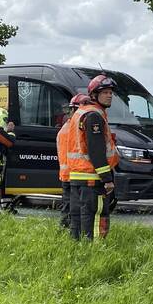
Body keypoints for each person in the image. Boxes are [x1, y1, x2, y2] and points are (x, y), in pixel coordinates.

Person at [66, 75, 120, 240]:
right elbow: (96, 150)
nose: (109, 95)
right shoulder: (94, 115)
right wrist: (107, 178)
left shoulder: (80, 113)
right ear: (94, 95)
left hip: (77, 177)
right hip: (92, 177)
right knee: (95, 217)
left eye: (111, 92)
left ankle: (78, 248)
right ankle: (94, 250)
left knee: (77, 219)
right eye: (105, 92)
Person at [57, 94, 91, 228]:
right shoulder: (76, 127)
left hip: (67, 174)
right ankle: (69, 229)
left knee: (68, 205)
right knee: (76, 208)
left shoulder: (66, 127)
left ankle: (65, 229)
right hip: (76, 173)